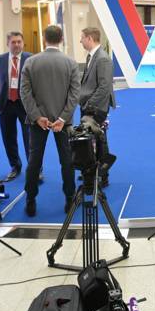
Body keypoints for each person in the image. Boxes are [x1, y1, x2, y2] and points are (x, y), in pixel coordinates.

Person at [19, 25, 80, 218]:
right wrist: (63, 117)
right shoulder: (71, 63)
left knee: (34, 161)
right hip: (64, 123)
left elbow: (25, 93)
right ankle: (70, 199)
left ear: (44, 39)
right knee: (67, 162)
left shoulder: (30, 62)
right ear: (61, 39)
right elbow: (74, 94)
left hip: (38, 122)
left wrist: (37, 117)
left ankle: (30, 200)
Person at [0, 31, 31, 180]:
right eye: (13, 42)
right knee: (8, 138)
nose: (17, 45)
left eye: (19, 41)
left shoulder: (31, 59)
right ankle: (15, 166)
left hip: (25, 105)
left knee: (30, 138)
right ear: (8, 44)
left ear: (23, 43)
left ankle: (35, 169)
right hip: (5, 105)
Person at [78, 27, 116, 188]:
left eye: (82, 38)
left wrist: (89, 105)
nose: (80, 41)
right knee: (91, 141)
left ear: (89, 38)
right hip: (90, 106)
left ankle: (102, 175)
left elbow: (104, 87)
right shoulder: (91, 57)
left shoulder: (102, 59)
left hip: (96, 108)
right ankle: (93, 173)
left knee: (99, 141)